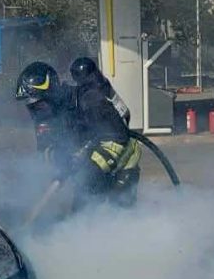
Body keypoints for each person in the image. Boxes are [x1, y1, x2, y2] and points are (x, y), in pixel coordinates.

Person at [16, 60, 141, 207]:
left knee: (118, 209)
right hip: (85, 167)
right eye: (32, 107)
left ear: (52, 94)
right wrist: (60, 158)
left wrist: (89, 167)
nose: (36, 111)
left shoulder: (89, 100)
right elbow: (45, 150)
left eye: (39, 104)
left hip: (121, 161)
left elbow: (117, 138)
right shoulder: (46, 119)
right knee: (81, 212)